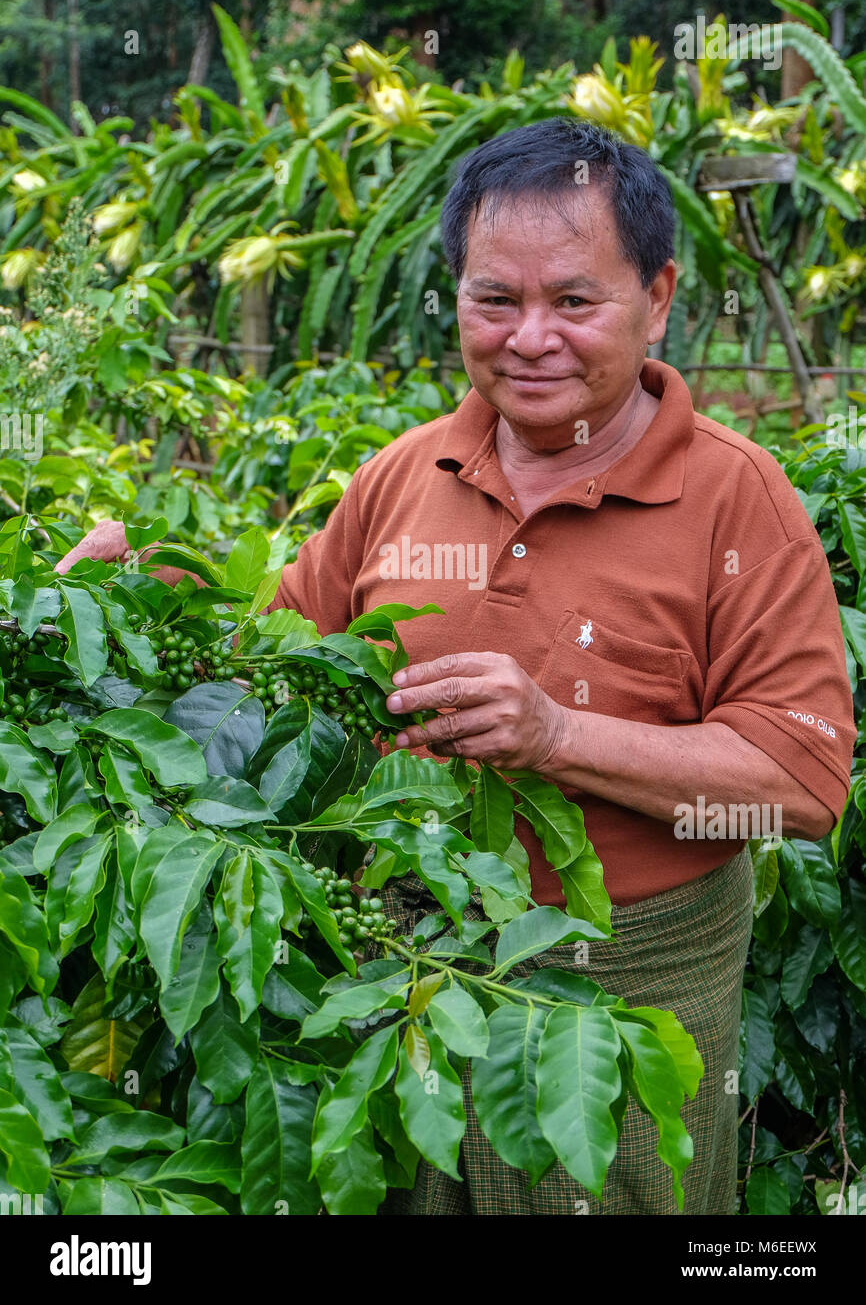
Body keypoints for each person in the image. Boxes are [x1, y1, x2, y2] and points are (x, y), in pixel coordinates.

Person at [57, 118, 855, 1216]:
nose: (530, 338)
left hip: (613, 996)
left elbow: (799, 786)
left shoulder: (736, 498)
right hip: (403, 982)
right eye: (494, 300)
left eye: (573, 302)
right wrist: (138, 592)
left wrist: (557, 737)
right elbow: (282, 663)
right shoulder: (403, 474)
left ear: (658, 297)